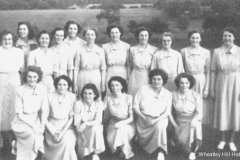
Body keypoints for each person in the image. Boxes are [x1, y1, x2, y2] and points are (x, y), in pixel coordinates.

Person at [210, 27, 240, 151]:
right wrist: (212, 88)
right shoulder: (217, 52)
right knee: (221, 110)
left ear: (234, 37)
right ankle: (222, 139)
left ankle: (231, 140)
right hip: (221, 83)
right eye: (225, 36)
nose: (227, 38)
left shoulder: (239, 51)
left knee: (235, 110)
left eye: (229, 36)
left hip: (236, 84)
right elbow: (213, 71)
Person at [133, 69, 172, 160]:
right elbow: (135, 106)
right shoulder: (143, 89)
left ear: (163, 80)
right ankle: (141, 142)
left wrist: (155, 120)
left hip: (159, 118)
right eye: (154, 79)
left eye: (159, 79)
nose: (156, 81)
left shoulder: (168, 94)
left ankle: (161, 150)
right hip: (144, 119)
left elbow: (167, 112)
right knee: (141, 144)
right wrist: (144, 118)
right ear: (151, 79)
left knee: (160, 126)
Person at [11, 66, 47, 160]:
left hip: (35, 119)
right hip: (21, 121)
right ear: (25, 77)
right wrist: (33, 126)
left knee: (39, 134)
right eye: (29, 77)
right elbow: (19, 114)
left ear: (38, 77)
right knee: (32, 134)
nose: (32, 79)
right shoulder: (19, 90)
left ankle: (18, 146)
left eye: (34, 77)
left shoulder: (43, 89)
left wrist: (42, 125)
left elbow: (44, 109)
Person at [169, 73, 202, 160]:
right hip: (178, 122)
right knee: (181, 142)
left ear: (190, 83)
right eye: (182, 83)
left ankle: (192, 151)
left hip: (190, 122)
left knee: (197, 125)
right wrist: (175, 126)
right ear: (178, 83)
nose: (184, 85)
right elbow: (168, 113)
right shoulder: (172, 94)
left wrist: (194, 120)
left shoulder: (195, 95)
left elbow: (200, 113)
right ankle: (178, 142)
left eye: (187, 83)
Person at [0, 30, 24, 149]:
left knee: (15, 107)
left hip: (15, 80)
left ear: (13, 40)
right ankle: (4, 142)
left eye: (9, 39)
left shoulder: (19, 52)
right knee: (2, 109)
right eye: (5, 39)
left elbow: (22, 69)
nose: (7, 41)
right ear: (1, 40)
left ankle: (15, 140)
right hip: (2, 80)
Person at [181, 30, 211, 124]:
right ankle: (187, 126)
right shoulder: (184, 51)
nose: (195, 40)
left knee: (199, 104)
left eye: (197, 38)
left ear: (200, 39)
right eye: (193, 37)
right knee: (188, 103)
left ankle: (198, 128)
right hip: (188, 80)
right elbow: (182, 69)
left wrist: (206, 88)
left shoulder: (206, 52)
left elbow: (208, 71)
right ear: (189, 39)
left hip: (200, 80)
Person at [44, 75, 77, 160]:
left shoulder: (73, 97)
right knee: (53, 142)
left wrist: (62, 133)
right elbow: (44, 118)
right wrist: (52, 133)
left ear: (68, 86)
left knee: (68, 141)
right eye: (59, 84)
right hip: (51, 127)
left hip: (67, 128)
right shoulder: (49, 97)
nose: (62, 87)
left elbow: (71, 118)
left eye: (64, 85)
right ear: (56, 85)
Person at [104, 76, 135, 159]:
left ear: (122, 86)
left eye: (117, 85)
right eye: (112, 85)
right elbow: (101, 108)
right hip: (113, 123)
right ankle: (117, 151)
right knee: (110, 140)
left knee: (122, 131)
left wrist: (121, 123)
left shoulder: (128, 97)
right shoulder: (108, 97)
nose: (115, 88)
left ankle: (126, 153)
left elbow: (131, 118)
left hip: (127, 124)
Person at [74, 83, 105, 160]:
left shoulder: (99, 104)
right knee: (83, 153)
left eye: (90, 93)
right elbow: (77, 123)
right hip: (81, 131)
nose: (87, 96)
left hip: (95, 130)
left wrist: (85, 123)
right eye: (85, 93)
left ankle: (95, 153)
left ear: (95, 95)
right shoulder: (78, 104)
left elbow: (98, 120)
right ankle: (88, 155)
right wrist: (83, 138)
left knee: (96, 128)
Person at [74, 26, 106, 98]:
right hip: (83, 76)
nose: (90, 37)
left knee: (95, 96)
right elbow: (76, 68)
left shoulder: (100, 50)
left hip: (96, 76)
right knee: (83, 96)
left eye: (92, 35)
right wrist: (75, 84)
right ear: (84, 36)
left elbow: (103, 69)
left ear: (95, 36)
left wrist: (103, 85)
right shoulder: (80, 50)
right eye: (87, 34)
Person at [128, 26, 158, 97]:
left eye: (145, 35)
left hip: (147, 75)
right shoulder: (132, 49)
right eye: (141, 35)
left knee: (146, 95)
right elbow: (129, 65)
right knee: (133, 94)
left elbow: (154, 66)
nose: (143, 38)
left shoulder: (154, 49)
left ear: (148, 36)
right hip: (134, 76)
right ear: (138, 36)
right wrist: (128, 78)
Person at [102, 25, 130, 94]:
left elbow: (128, 64)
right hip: (110, 72)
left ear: (120, 33)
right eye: (112, 33)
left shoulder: (126, 46)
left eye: (116, 32)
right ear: (109, 34)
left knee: (122, 93)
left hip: (123, 72)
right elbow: (104, 65)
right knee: (110, 92)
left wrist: (128, 78)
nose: (114, 35)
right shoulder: (105, 47)